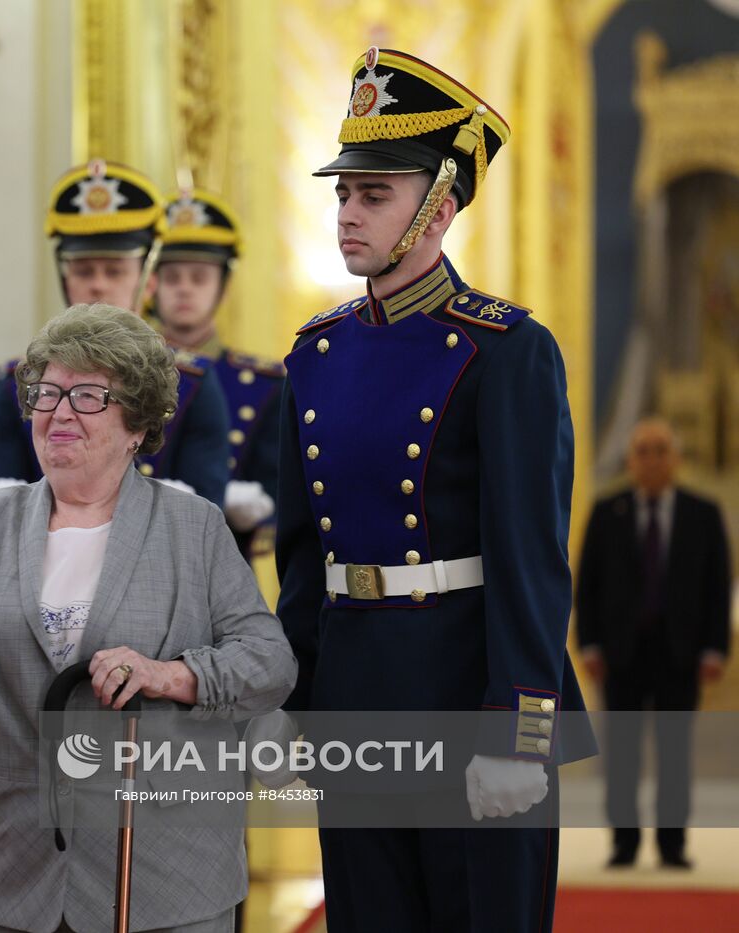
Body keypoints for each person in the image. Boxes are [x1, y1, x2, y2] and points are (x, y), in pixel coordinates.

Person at [274, 48, 595, 931]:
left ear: (440, 208)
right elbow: (306, 560)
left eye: (374, 194)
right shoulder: (314, 353)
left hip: (468, 693)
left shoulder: (505, 349)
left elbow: (533, 565)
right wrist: (296, 707)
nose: (348, 212)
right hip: (357, 696)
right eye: (343, 192)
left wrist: (519, 731)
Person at [0, 303, 296, 932]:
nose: (60, 411)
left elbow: (270, 662)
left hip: (162, 869)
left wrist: (167, 675)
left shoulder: (194, 527)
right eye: (47, 391)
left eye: (88, 395)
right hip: (10, 864)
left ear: (137, 424)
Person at [0, 161, 231, 507]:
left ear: (149, 280)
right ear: (65, 280)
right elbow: (4, 510)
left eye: (114, 271)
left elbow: (203, 515)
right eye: (83, 271)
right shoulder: (17, 382)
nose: (98, 283)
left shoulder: (193, 382)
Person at [576, 417, 731, 869]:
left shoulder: (703, 513)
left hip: (679, 653)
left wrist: (715, 648)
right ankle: (623, 844)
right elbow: (587, 584)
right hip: (621, 653)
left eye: (661, 449)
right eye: (643, 450)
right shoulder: (608, 512)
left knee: (674, 752)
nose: (652, 459)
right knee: (621, 753)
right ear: (630, 460)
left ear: (676, 458)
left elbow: (717, 587)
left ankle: (672, 845)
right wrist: (588, 645)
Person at [155, 187, 282, 557]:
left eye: (199, 277)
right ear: (152, 285)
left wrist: (258, 511)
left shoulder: (264, 385)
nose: (184, 290)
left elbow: (280, 490)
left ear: (223, 288)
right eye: (172, 277)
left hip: (222, 561)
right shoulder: (123, 375)